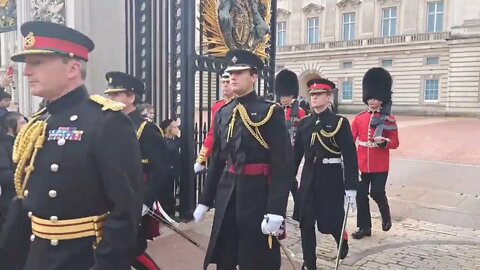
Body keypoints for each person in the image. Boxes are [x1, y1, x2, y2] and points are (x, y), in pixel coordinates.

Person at [0, 21, 143, 270]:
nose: (26, 72)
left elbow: (124, 212)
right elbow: (25, 201)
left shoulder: (106, 122)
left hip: (81, 259)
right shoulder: (40, 122)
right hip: (37, 256)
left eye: (37, 63)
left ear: (72, 68)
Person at [193, 49, 293, 270]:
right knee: (226, 256)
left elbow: (282, 165)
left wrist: (276, 209)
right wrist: (205, 200)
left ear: (254, 76)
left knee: (255, 258)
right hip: (227, 193)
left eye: (239, 72)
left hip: (257, 194)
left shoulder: (270, 111)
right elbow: (218, 160)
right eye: (230, 73)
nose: (233, 77)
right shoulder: (223, 112)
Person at [292, 78, 359, 270]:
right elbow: (296, 156)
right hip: (309, 179)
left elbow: (350, 156)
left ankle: (341, 238)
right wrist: (287, 179)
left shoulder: (339, 123)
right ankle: (310, 263)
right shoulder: (305, 123)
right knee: (306, 223)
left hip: (331, 179)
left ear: (329, 97)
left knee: (329, 222)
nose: (314, 98)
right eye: (312, 94)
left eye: (318, 94)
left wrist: (351, 187)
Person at [104, 71, 167, 270]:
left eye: (116, 95)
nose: (111, 99)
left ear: (131, 97)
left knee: (132, 249)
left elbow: (161, 170)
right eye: (110, 95)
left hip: (136, 196)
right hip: (110, 196)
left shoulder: (145, 129)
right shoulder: (106, 124)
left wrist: (145, 201)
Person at [351, 67, 399, 240]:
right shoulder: (359, 118)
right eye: (370, 98)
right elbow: (350, 141)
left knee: (377, 192)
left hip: (380, 164)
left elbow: (395, 142)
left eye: (376, 98)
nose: (372, 101)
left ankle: (385, 216)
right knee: (361, 195)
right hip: (362, 163)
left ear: (382, 99)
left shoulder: (389, 119)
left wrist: (384, 142)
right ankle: (364, 227)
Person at [194, 71, 235, 173]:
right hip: (219, 154)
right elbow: (212, 133)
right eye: (223, 82)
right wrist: (202, 159)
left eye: (228, 82)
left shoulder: (241, 104)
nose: (225, 85)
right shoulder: (217, 106)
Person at [275, 69, 306, 197]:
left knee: (290, 179)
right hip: (278, 150)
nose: (283, 99)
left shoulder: (300, 112)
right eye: (282, 96)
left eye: (286, 96)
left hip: (293, 150)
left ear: (292, 95)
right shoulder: (276, 109)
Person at [0, 112, 27, 232]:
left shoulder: (21, 142)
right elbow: (5, 176)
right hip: (10, 199)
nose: (26, 125)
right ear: (11, 128)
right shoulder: (4, 146)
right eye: (22, 123)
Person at [160, 119, 181, 218]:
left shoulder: (174, 140)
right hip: (167, 171)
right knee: (167, 192)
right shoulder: (165, 141)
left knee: (172, 190)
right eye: (175, 127)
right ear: (169, 129)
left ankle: (170, 211)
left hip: (174, 171)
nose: (177, 129)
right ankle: (168, 213)